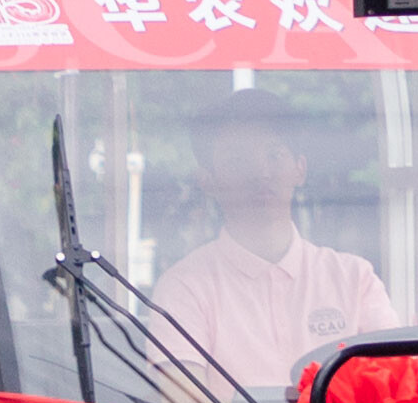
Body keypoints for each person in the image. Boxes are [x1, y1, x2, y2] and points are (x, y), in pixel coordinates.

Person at [148, 100, 397, 387]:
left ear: (299, 169)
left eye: (274, 155)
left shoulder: (354, 279)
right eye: (237, 161)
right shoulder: (183, 288)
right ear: (207, 181)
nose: (261, 174)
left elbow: (399, 389)